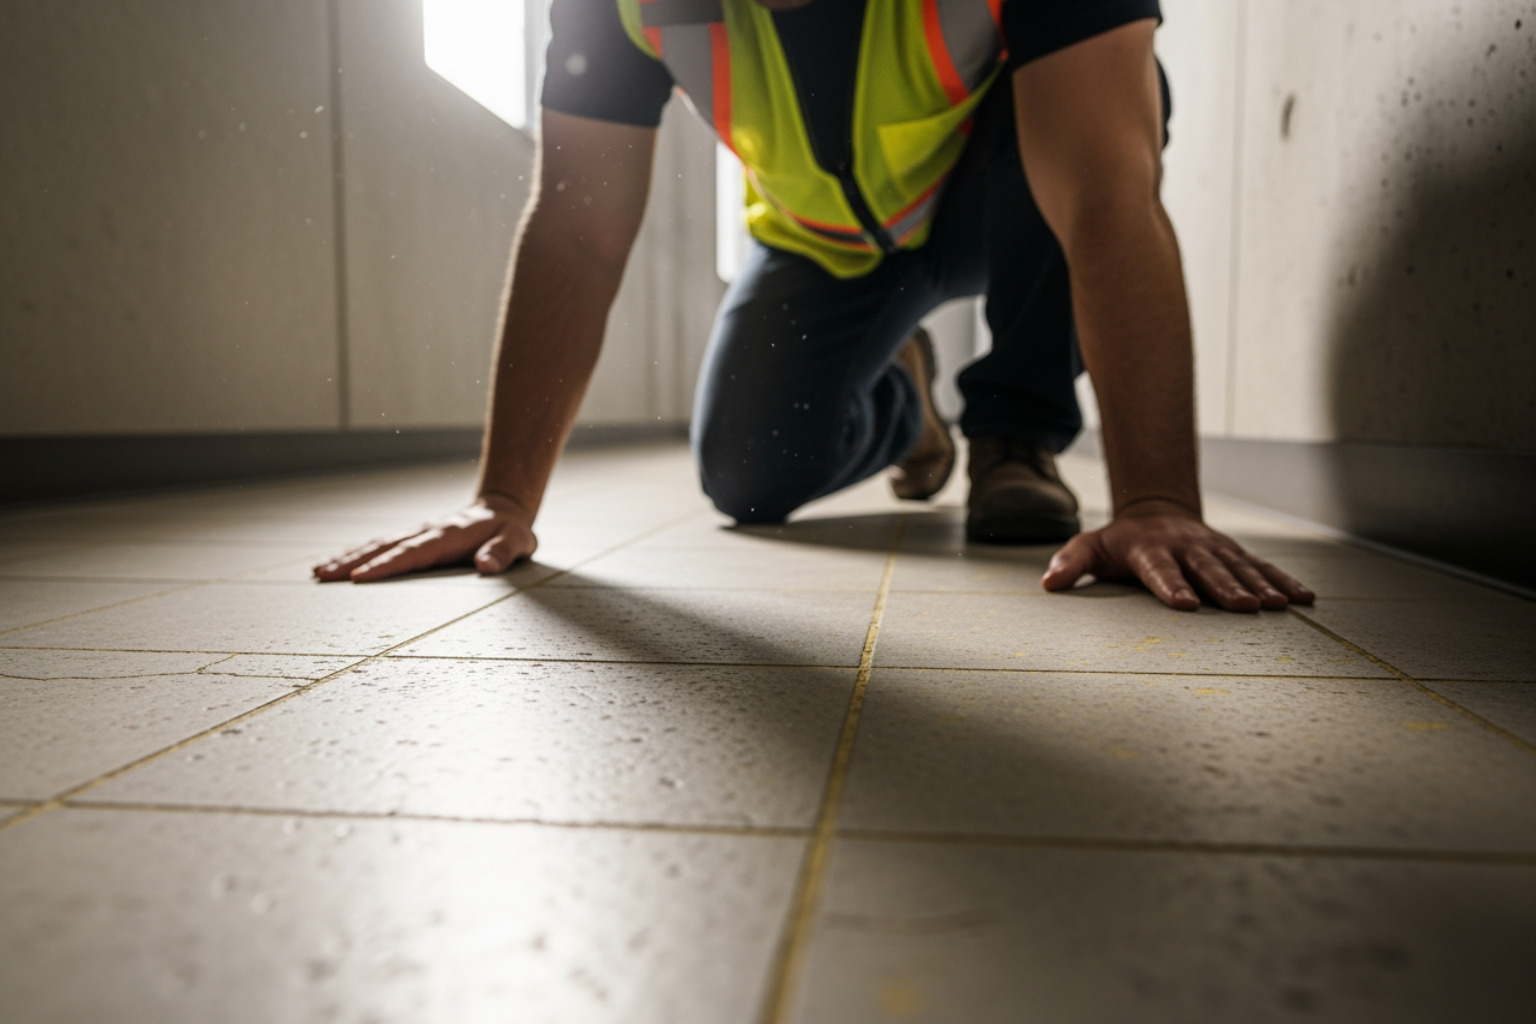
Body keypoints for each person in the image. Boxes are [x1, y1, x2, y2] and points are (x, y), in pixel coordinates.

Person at [315, 0, 1315, 613]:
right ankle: (907, 406)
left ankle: (1015, 431)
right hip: (822, 244)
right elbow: (578, 228)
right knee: (746, 474)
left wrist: (1155, 501)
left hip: (993, 198)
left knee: (1099, 116)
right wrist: (504, 497)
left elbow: (1103, 192)